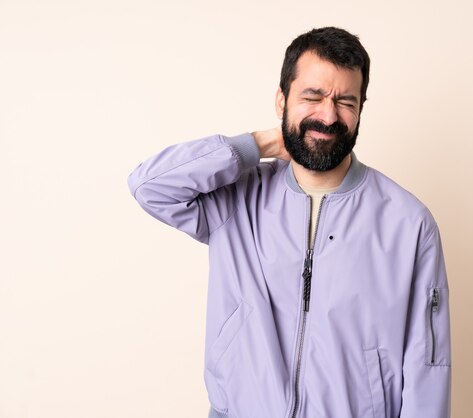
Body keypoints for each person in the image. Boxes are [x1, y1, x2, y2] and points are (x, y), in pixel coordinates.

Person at [128, 26, 451, 418]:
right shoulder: (237, 199)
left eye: (345, 101)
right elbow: (150, 186)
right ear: (282, 100)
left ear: (361, 109)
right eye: (313, 96)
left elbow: (427, 367)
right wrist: (258, 145)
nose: (328, 115)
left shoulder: (408, 224)